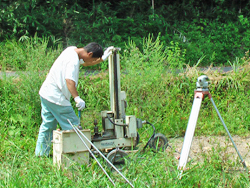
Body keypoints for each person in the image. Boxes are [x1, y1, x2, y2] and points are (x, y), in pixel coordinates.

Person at [35, 42, 114, 156]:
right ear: (90, 53)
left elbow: (85, 63)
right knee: (74, 126)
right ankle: (78, 156)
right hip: (57, 97)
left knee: (48, 125)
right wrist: (77, 98)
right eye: (92, 58)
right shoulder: (73, 61)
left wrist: (102, 59)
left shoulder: (71, 50)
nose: (90, 61)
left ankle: (41, 154)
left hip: (46, 93)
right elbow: (69, 81)